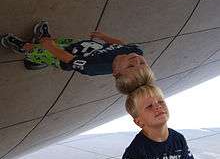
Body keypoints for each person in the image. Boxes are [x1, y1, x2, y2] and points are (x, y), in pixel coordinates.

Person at [0, 21, 155, 94]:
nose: (136, 60)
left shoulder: (93, 68)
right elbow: (121, 44)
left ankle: (23, 47)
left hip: (61, 57)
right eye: (142, 62)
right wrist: (105, 37)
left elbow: (69, 60)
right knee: (59, 42)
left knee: (40, 49)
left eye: (131, 66)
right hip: (76, 46)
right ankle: (45, 40)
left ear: (116, 72)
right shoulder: (135, 51)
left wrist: (51, 48)